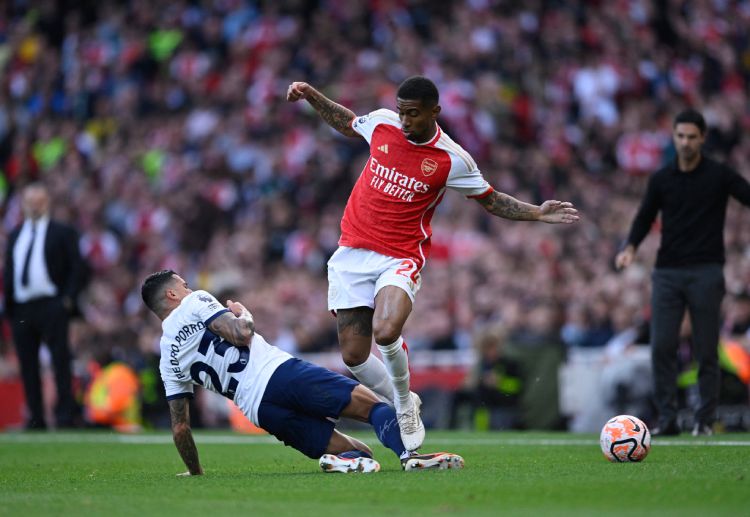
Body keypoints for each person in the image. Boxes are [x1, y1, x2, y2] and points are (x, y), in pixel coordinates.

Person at [286, 76, 579, 450]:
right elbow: (348, 123)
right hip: (352, 254)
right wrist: (312, 95)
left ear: (434, 112)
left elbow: (491, 199)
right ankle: (403, 398)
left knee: (386, 331)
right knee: (354, 357)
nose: (405, 120)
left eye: (413, 114)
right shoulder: (383, 123)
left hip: (400, 257)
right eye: (401, 112)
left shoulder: (452, 159)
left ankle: (403, 404)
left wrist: (536, 212)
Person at [140, 269, 464, 475]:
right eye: (183, 285)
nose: (188, 288)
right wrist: (244, 314)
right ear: (172, 294)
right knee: (375, 406)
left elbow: (180, 427)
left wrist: (195, 471)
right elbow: (241, 334)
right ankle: (409, 456)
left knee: (361, 454)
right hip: (279, 374)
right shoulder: (195, 301)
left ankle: (338, 462)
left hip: (259, 410)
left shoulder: (167, 356)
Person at [615, 109, 750, 437]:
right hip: (668, 271)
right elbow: (645, 216)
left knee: (706, 347)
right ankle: (667, 418)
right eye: (680, 136)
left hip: (706, 270)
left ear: (702, 138)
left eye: (691, 137)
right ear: (674, 138)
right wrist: (630, 246)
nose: (685, 142)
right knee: (662, 345)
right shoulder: (662, 179)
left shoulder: (719, 175)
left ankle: (705, 419)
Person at [3, 182, 88, 429]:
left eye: (38, 201)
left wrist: (67, 299)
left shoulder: (62, 232)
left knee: (60, 360)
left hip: (52, 304)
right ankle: (35, 417)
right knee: (27, 363)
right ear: (23, 204)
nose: (34, 206)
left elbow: (77, 267)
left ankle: (64, 415)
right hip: (22, 306)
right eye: (30, 202)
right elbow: (10, 271)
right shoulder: (16, 234)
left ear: (47, 203)